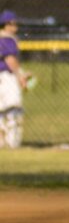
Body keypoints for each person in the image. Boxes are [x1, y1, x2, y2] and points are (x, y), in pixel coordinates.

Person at [0, 10, 31, 148]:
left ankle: (2, 143)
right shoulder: (7, 39)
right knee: (13, 109)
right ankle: (12, 143)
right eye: (13, 24)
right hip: (6, 78)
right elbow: (10, 60)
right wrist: (21, 76)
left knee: (2, 111)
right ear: (6, 24)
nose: (15, 27)